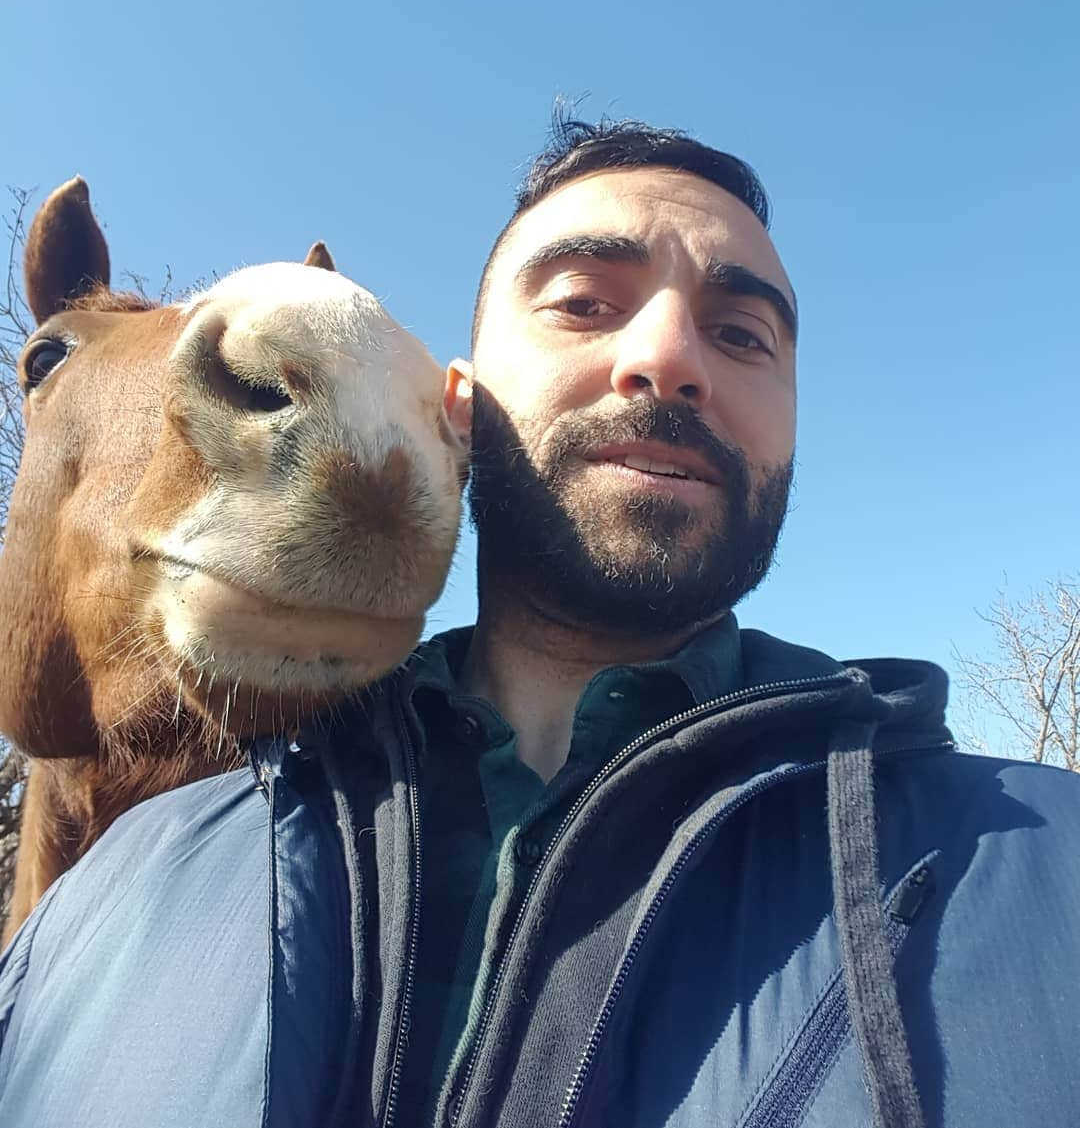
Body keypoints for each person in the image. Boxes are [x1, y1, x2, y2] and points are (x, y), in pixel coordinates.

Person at [1, 117, 1078, 1128]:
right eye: (583, 303)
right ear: (459, 404)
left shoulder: (1041, 870)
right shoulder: (94, 918)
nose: (672, 358)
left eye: (743, 334)